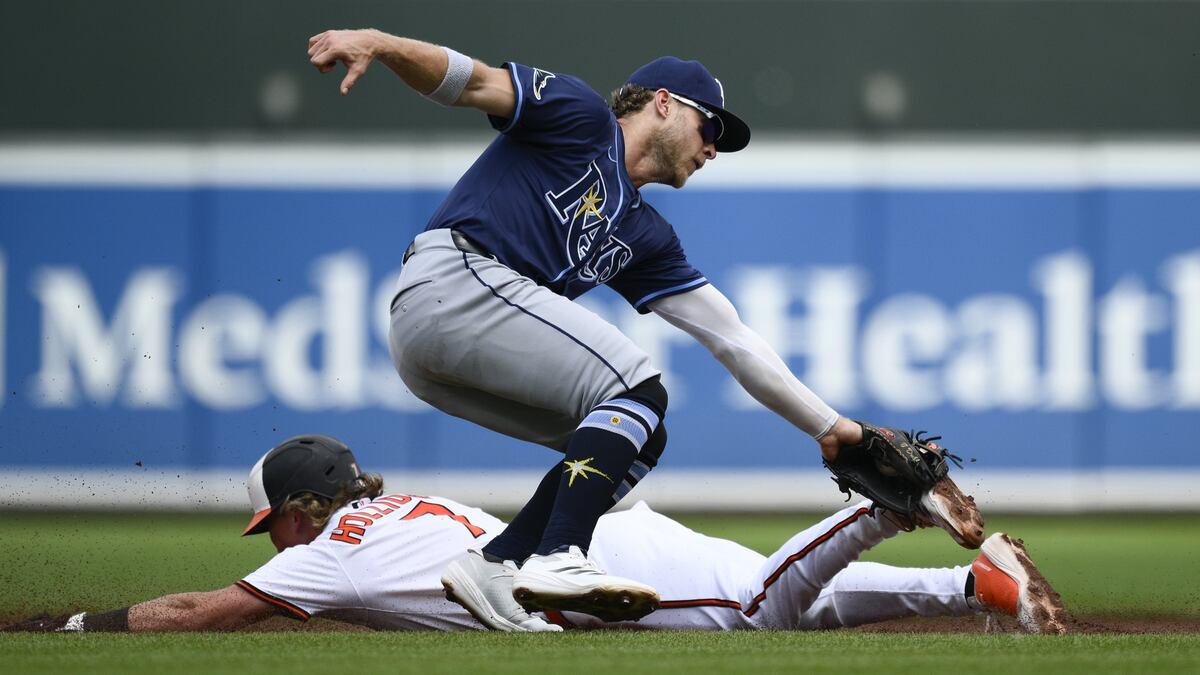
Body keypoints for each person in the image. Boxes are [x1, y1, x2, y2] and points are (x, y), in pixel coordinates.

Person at [304, 29, 984, 627]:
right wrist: (382, 43)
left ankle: (496, 568)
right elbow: (473, 80)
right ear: (663, 101)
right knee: (638, 384)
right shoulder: (578, 116)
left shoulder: (643, 233)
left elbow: (733, 338)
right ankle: (560, 557)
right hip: (450, 281)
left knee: (635, 444)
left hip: (440, 350)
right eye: (711, 126)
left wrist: (832, 429)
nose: (714, 148)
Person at [4, 435, 1067, 635]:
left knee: (756, 614)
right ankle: (976, 589)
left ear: (308, 508)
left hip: (592, 564)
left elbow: (208, 609)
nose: (274, 541)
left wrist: (74, 625)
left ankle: (879, 505)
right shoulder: (398, 509)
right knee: (775, 600)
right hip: (596, 545)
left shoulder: (329, 552)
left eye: (275, 520)